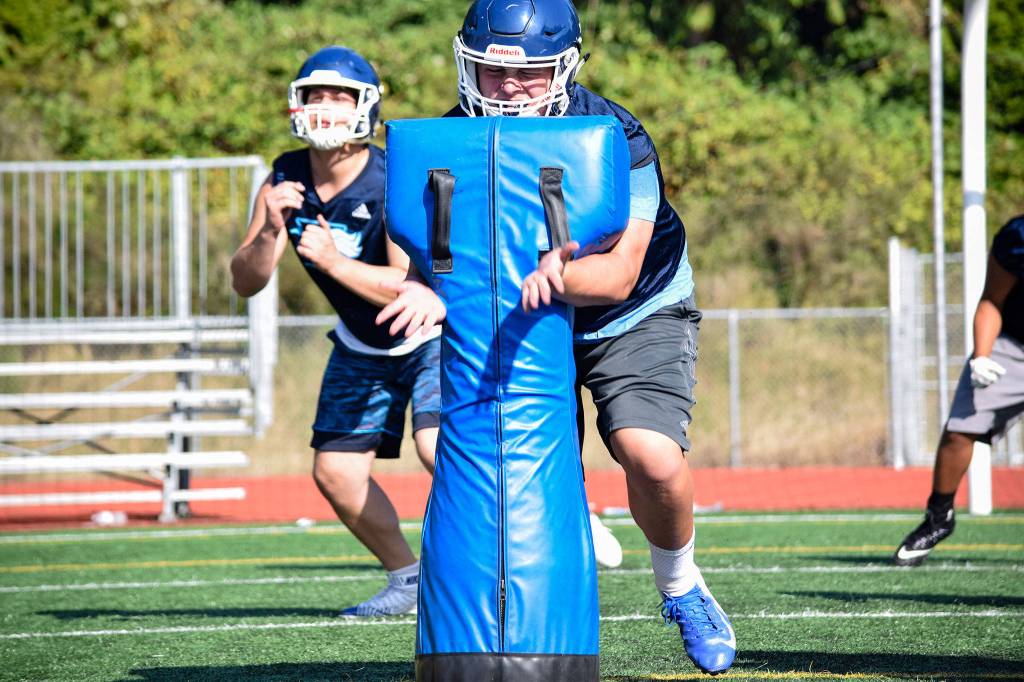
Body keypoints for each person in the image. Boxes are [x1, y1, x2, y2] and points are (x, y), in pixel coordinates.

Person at [379, 0, 734, 674]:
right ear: (468, 66)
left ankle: (682, 586)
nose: (509, 87)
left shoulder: (617, 136)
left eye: (530, 74)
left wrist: (565, 270)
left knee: (648, 452)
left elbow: (622, 272)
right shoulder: (452, 140)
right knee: (495, 458)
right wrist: (423, 284)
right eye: (491, 72)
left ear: (565, 68)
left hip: (629, 309)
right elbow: (414, 250)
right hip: (514, 313)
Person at [230, 46, 441, 617]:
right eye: (314, 96)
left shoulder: (391, 176)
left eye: (339, 96)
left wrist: (335, 263)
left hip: (426, 334)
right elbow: (245, 281)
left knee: (436, 447)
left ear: (365, 107)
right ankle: (408, 578)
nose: (324, 108)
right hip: (359, 341)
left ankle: (532, 533)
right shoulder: (285, 173)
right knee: (336, 471)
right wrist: (270, 230)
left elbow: (407, 284)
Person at [894, 214, 1024, 567]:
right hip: (1013, 345)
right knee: (960, 429)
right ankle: (939, 516)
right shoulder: (1017, 236)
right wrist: (981, 356)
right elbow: (992, 301)